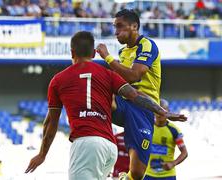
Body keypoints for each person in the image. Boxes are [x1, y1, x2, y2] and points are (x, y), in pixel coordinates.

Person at [25, 31, 186, 180]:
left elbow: (51, 122)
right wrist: (162, 111)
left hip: (85, 143)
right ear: (94, 54)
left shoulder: (58, 80)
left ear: (72, 52)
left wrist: (42, 154)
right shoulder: (108, 74)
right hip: (109, 147)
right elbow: (135, 95)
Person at [96, 9, 184, 180]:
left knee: (136, 174)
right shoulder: (122, 52)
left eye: (120, 27)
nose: (116, 32)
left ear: (134, 26)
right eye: (115, 27)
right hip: (124, 102)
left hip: (143, 109)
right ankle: (93, 143)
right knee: (101, 91)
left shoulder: (147, 45)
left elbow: (134, 75)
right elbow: (122, 83)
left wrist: (107, 57)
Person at [144, 99, 188, 180]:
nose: (160, 113)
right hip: (147, 174)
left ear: (168, 112)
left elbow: (184, 152)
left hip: (167, 176)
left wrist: (173, 163)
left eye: (163, 110)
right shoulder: (147, 127)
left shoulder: (174, 131)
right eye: (158, 110)